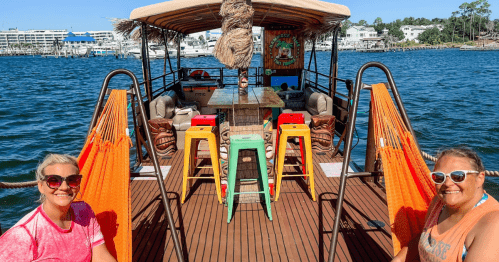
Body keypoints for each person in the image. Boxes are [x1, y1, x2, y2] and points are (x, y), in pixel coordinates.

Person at [0, 154, 117, 262]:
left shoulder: (84, 211)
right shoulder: (22, 235)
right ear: (41, 186)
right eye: (54, 181)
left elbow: (101, 256)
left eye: (72, 180)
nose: (65, 187)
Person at [392, 147, 499, 261]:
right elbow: (425, 238)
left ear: (480, 178)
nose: (447, 183)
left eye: (458, 176)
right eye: (439, 177)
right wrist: (397, 259)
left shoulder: (492, 223)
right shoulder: (438, 203)